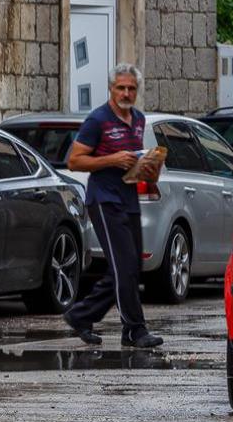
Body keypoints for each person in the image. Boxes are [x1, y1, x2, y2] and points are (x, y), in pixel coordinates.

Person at [63, 62, 164, 349]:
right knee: (124, 267)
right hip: (104, 200)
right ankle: (135, 329)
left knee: (130, 267)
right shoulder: (98, 120)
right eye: (121, 87)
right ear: (111, 88)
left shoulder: (140, 119)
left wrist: (148, 167)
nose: (126, 93)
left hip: (129, 198)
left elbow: (132, 161)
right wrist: (112, 159)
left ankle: (81, 314)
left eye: (131, 88)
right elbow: (74, 160)